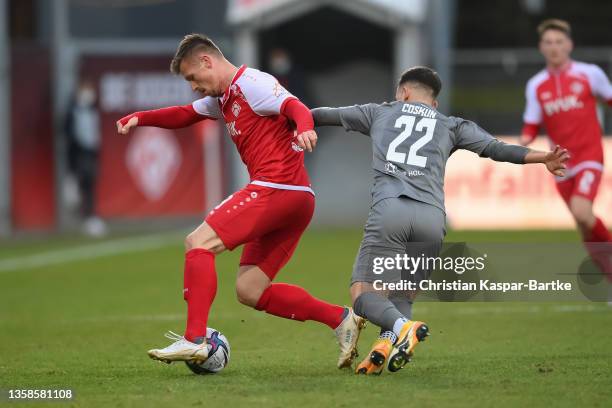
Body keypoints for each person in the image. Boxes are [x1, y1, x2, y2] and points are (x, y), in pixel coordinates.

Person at [116, 34, 365, 368]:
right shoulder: (223, 97)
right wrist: (141, 118)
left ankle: (195, 339)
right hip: (296, 198)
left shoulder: (252, 83)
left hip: (277, 187)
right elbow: (184, 114)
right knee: (251, 290)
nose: (193, 86)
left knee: (198, 242)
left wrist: (305, 128)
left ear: (208, 61)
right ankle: (340, 319)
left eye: (192, 77)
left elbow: (295, 107)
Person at [307, 66, 569, 374]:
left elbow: (322, 114)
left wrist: (283, 114)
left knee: (364, 298)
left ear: (403, 93)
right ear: (434, 103)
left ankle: (404, 327)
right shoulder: (450, 124)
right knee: (403, 292)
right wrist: (544, 158)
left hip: (391, 211)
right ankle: (384, 345)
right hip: (432, 219)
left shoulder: (379, 112)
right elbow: (495, 148)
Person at [520, 19, 612, 281]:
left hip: (589, 156)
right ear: (541, 47)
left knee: (583, 212)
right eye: (548, 42)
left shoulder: (589, 73)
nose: (554, 47)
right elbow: (531, 125)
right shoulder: (536, 84)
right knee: (584, 227)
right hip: (560, 164)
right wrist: (522, 142)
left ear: (569, 45)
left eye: (559, 42)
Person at [65, 79, 107, 237]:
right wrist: (72, 163)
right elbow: (69, 136)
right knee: (81, 188)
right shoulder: (73, 112)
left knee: (89, 186)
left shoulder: (92, 110)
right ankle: (85, 219)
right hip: (78, 156)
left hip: (90, 154)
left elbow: (94, 135)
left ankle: (90, 218)